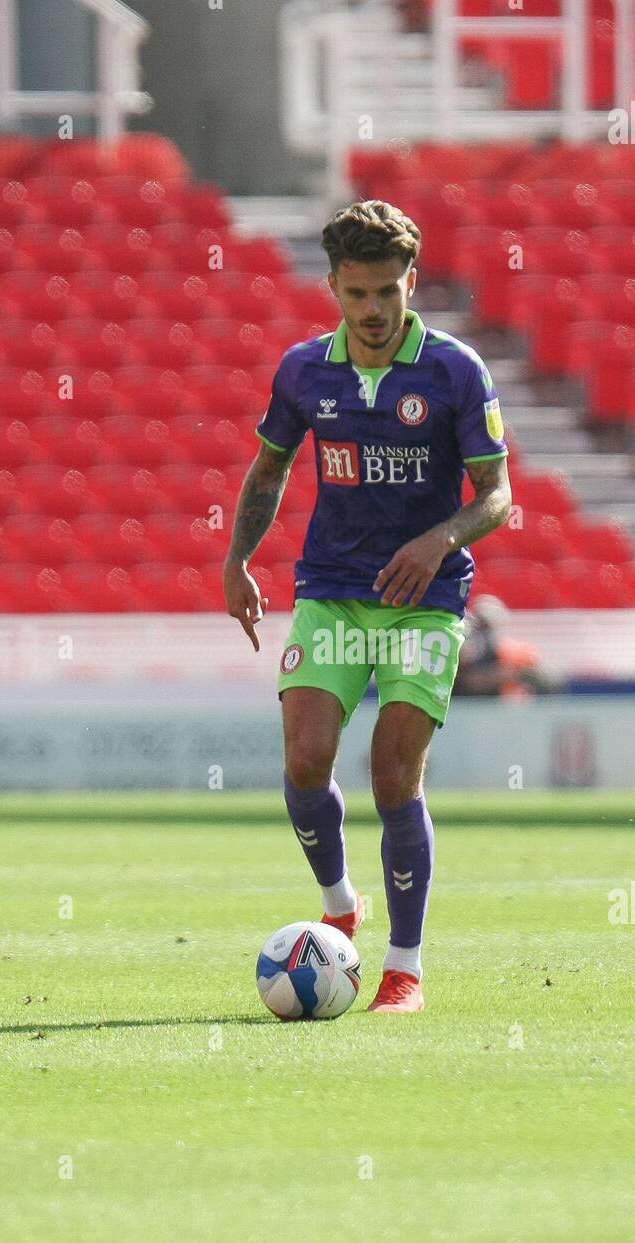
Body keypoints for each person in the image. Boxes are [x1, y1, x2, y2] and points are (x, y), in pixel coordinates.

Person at [224, 199, 512, 1012]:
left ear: (410, 283)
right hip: (332, 592)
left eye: (389, 291)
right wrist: (238, 558)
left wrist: (439, 542)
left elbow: (497, 496)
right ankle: (341, 901)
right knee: (306, 760)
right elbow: (271, 469)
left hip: (426, 602)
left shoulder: (457, 371)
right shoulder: (303, 371)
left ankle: (404, 967)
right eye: (358, 293)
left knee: (393, 774)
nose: (375, 310)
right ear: (334, 290)